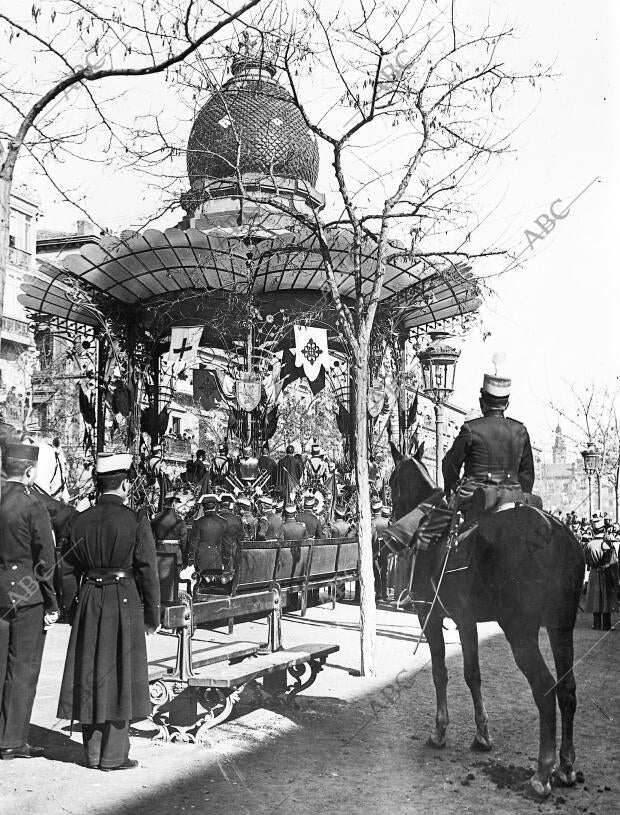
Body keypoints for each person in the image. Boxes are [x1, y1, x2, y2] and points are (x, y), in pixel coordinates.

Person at [57, 452, 160, 771]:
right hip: (125, 599)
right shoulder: (136, 519)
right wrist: (152, 614)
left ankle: (92, 752)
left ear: (98, 486)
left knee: (89, 671)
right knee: (121, 673)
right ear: (125, 484)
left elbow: (66, 570)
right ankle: (114, 756)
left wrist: (74, 608)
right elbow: (147, 569)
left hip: (89, 598)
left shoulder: (78, 520)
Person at [0, 443, 59, 760]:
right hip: (26, 594)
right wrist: (50, 601)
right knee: (22, 668)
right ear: (29, 471)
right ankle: (11, 740)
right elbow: (45, 559)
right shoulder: (33, 505)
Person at [442, 373, 535, 507]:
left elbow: (449, 465)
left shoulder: (470, 429)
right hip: (513, 500)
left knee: (428, 525)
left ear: (481, 402)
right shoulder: (521, 431)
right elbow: (527, 474)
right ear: (507, 404)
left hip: (473, 501)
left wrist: (452, 491)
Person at [583, 516, 619, 631]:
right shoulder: (608, 544)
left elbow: (586, 561)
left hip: (594, 573)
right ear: (603, 530)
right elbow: (614, 562)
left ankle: (596, 624)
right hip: (606, 574)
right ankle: (607, 625)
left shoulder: (588, 545)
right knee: (606, 599)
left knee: (595, 599)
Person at [190, 494, 230, 580]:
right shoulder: (223, 522)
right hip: (217, 555)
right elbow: (226, 542)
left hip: (201, 556)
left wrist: (191, 557)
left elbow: (194, 542)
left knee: (201, 582)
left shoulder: (197, 522)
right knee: (215, 582)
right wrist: (226, 557)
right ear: (215, 507)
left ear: (204, 508)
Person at [151, 491, 189, 569]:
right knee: (175, 580)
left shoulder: (155, 519)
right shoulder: (180, 520)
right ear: (174, 503)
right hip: (175, 555)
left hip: (159, 554)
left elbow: (151, 539)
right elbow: (184, 541)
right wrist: (184, 557)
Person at [217, 494, 244, 576]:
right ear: (229, 506)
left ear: (219, 506)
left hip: (218, 553)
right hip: (233, 552)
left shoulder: (216, 518)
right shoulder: (237, 519)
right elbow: (241, 537)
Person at [371, 498, 390, 602]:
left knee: (376, 571)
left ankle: (378, 593)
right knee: (384, 571)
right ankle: (384, 593)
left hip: (374, 549)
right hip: (384, 548)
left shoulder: (371, 522)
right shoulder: (386, 522)